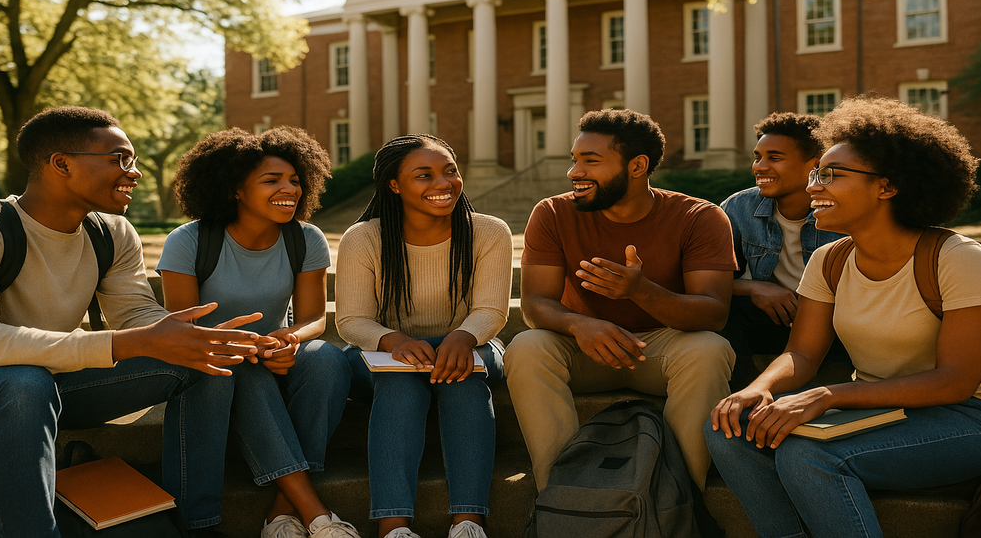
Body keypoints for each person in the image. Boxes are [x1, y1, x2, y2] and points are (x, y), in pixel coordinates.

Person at [0, 106, 265, 538]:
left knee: (205, 360)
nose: (134, 173)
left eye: (135, 160)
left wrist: (189, 336)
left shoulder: (113, 233)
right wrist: (121, 344)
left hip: (53, 382)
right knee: (21, 383)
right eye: (120, 159)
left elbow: (136, 315)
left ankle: (196, 525)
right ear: (61, 164)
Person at [705, 96, 981, 538]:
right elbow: (802, 355)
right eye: (815, 174)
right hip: (877, 410)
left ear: (886, 187)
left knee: (808, 455)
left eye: (831, 176)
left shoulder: (957, 258)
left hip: (967, 419)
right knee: (726, 430)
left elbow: (957, 380)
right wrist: (758, 390)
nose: (814, 186)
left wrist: (828, 396)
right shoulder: (830, 260)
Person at [504, 108, 737, 492]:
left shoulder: (700, 217)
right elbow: (535, 304)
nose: (574, 172)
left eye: (590, 161)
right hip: (584, 349)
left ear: (637, 166)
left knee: (710, 350)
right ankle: (563, 499)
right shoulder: (552, 213)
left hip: (661, 346)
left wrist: (640, 290)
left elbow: (713, 313)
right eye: (574, 159)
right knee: (527, 346)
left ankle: (673, 502)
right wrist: (581, 324)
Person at [157, 127, 358, 538]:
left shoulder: (305, 239)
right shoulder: (189, 241)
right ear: (235, 189)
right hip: (212, 369)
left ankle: (281, 511)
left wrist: (290, 340)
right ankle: (315, 514)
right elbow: (181, 328)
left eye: (295, 181)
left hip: (276, 358)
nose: (290, 189)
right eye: (272, 181)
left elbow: (314, 319)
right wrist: (240, 346)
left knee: (328, 358)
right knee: (241, 366)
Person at [335, 134, 512, 538]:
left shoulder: (488, 232)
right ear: (394, 186)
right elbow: (352, 320)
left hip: (473, 345)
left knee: (463, 374)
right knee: (400, 380)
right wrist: (393, 341)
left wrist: (463, 337)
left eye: (450, 170)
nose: (443, 183)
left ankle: (468, 523)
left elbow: (491, 310)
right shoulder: (364, 238)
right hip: (383, 353)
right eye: (424, 175)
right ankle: (394, 527)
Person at [719, 112, 847, 389]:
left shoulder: (842, 211)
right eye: (757, 157)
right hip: (777, 318)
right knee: (718, 312)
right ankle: (744, 394)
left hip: (835, 325)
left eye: (774, 158)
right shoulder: (739, 208)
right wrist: (754, 288)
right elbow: (709, 279)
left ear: (815, 165)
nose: (760, 167)